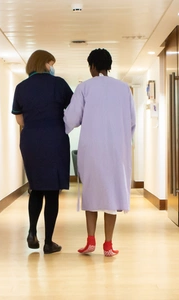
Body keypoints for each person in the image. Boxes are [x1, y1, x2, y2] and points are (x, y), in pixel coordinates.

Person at [63, 48, 136, 257]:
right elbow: (131, 121)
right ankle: (108, 245)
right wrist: (123, 139)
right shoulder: (124, 89)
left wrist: (63, 123)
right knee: (112, 193)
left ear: (92, 66)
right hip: (116, 150)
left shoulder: (84, 87)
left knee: (92, 191)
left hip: (92, 148)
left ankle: (90, 241)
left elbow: (72, 119)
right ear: (109, 65)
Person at [11, 50, 73, 254]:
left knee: (36, 188)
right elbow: (73, 111)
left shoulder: (21, 88)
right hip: (54, 139)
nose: (52, 67)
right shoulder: (59, 84)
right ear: (45, 63)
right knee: (52, 191)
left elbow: (19, 120)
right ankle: (48, 242)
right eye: (51, 63)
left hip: (31, 141)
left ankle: (31, 232)